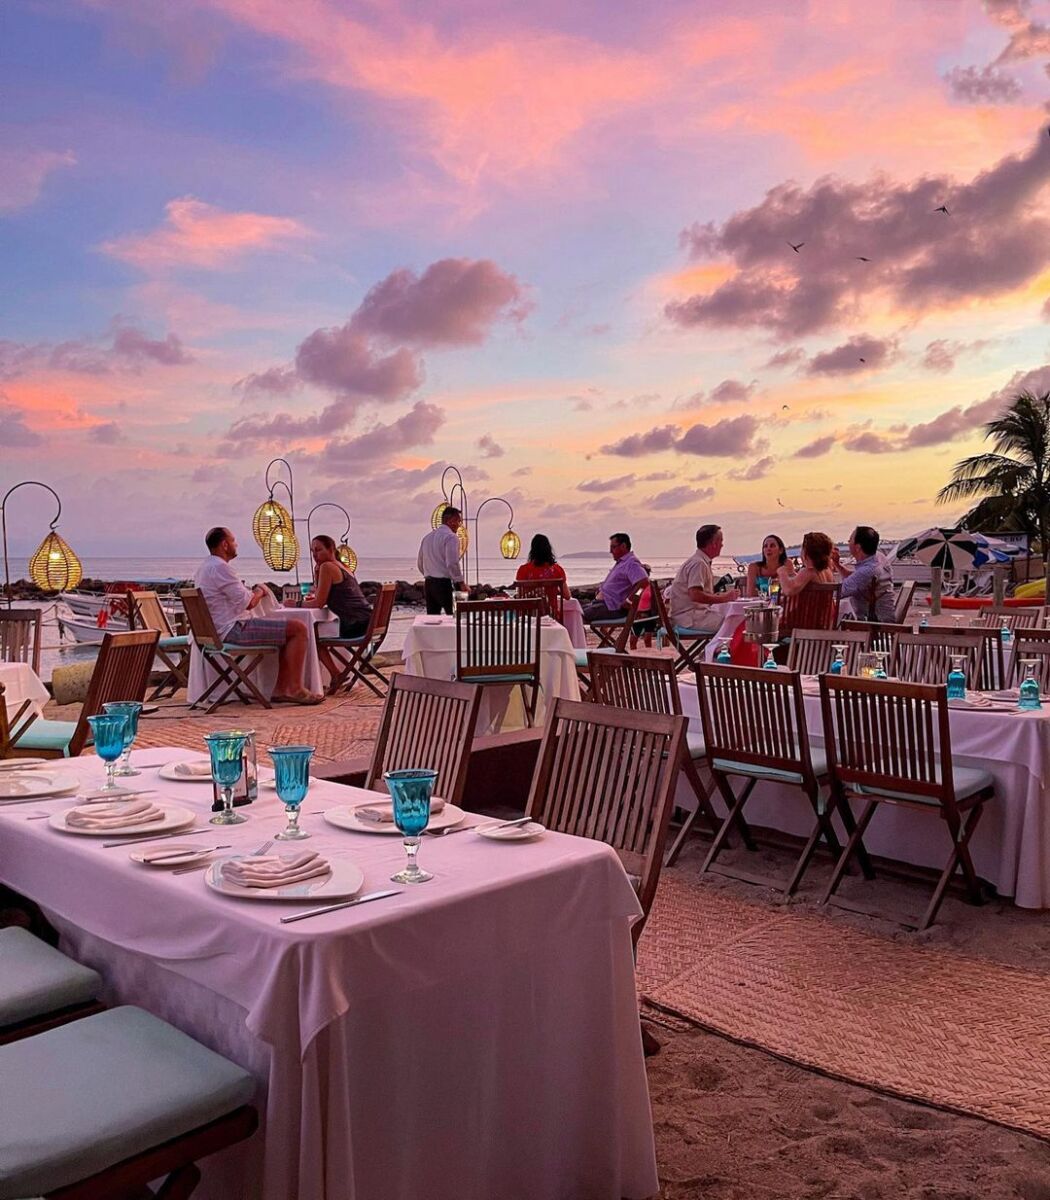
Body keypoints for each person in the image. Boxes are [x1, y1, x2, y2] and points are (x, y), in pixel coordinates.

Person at [194, 527, 319, 704]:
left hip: (215, 631)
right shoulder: (221, 568)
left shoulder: (204, 568)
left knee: (286, 631)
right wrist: (260, 590)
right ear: (224, 544)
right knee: (299, 629)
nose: (236, 544)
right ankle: (295, 688)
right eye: (233, 540)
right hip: (231, 630)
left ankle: (281, 689)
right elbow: (249, 603)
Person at [302, 536, 373, 681]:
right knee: (317, 631)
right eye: (312, 551)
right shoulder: (343, 566)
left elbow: (318, 603)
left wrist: (295, 605)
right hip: (368, 622)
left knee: (310, 635)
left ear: (331, 549)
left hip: (355, 625)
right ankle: (337, 674)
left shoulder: (327, 567)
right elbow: (321, 594)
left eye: (318, 550)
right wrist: (317, 575)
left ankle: (334, 675)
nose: (315, 555)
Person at [668, 525, 741, 632]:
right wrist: (724, 598)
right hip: (689, 619)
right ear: (714, 543)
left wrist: (718, 596)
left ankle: (720, 648)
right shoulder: (699, 564)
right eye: (721, 541)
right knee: (735, 622)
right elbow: (695, 594)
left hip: (690, 615)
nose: (722, 545)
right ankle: (719, 648)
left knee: (732, 617)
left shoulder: (698, 561)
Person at [581, 533, 649, 622]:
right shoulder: (622, 562)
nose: (610, 551)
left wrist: (630, 600)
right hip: (602, 604)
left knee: (575, 616)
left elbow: (644, 582)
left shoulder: (631, 563)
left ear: (623, 546)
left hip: (612, 608)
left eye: (613, 547)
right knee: (572, 611)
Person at [833, 526, 895, 622]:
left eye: (850, 540)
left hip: (875, 623)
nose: (848, 543)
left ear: (858, 547)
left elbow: (838, 592)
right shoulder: (878, 557)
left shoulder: (868, 570)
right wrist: (837, 564)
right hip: (883, 616)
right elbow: (855, 579)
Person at [417, 507, 466, 615]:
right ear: (451, 521)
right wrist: (461, 582)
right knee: (457, 618)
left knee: (433, 621)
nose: (459, 525)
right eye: (458, 521)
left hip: (429, 584)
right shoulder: (451, 537)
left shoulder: (427, 538)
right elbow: (452, 563)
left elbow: (420, 563)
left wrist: (429, 574)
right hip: (445, 584)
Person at [777, 531, 836, 596]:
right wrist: (792, 572)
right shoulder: (828, 571)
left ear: (806, 553)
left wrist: (782, 572)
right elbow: (803, 581)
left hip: (808, 606)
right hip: (824, 606)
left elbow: (789, 590)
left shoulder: (809, 571)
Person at [515, 534, 571, 599]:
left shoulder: (523, 570)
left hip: (530, 609)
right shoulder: (557, 570)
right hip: (551, 609)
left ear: (532, 551)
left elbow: (519, 596)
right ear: (549, 550)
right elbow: (567, 596)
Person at [629, 564, 658, 650]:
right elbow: (635, 597)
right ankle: (633, 657)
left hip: (649, 614)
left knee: (647, 639)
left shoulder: (651, 586)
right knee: (633, 640)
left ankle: (649, 656)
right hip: (637, 615)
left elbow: (655, 600)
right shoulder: (638, 587)